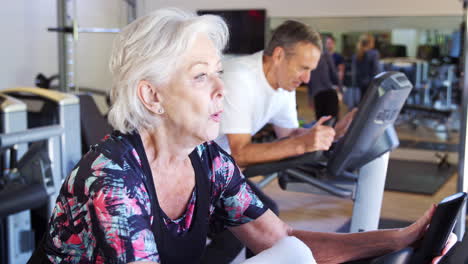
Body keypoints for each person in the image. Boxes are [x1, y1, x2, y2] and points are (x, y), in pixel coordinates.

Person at [28, 9, 453, 264]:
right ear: (152, 96)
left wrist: (400, 238)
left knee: (293, 253)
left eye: (218, 72)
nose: (221, 90)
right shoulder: (112, 179)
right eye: (200, 76)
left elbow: (284, 243)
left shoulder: (208, 159)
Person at [307, 50, 341, 120]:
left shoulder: (309, 57)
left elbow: (309, 81)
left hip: (317, 94)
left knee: (321, 121)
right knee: (332, 122)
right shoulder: (326, 55)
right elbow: (334, 73)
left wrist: (310, 97)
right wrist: (340, 89)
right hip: (329, 92)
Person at [352, 33, 382, 101]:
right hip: (371, 85)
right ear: (370, 42)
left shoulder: (356, 55)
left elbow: (355, 73)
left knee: (363, 105)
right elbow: (376, 71)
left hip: (360, 85)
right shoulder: (374, 53)